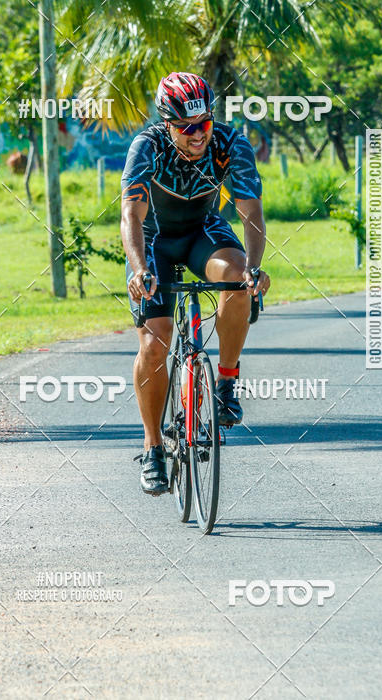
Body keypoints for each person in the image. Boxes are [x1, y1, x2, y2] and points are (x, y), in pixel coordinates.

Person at [120, 72, 270, 494]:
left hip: (203, 231)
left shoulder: (229, 143)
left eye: (203, 123)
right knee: (154, 343)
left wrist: (255, 267)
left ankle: (225, 380)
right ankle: (153, 449)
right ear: (166, 122)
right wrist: (138, 270)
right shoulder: (146, 146)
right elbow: (131, 215)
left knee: (239, 279)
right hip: (154, 241)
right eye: (186, 127)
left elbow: (250, 210)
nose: (197, 134)